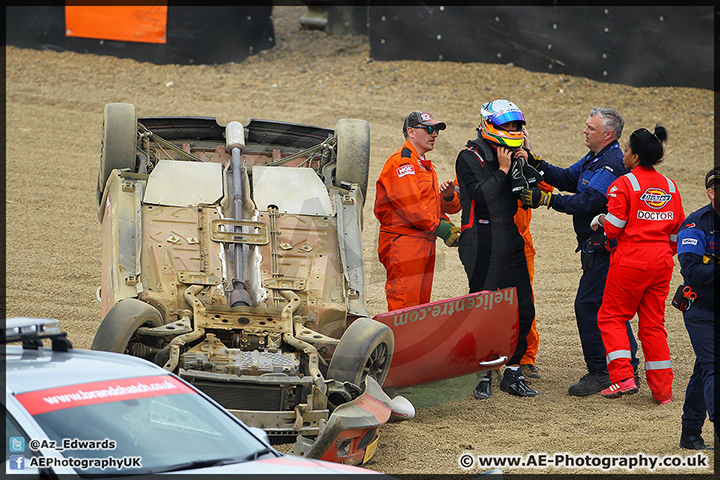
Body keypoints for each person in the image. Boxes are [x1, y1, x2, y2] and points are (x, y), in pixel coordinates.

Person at [520, 107, 640, 397]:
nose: (584, 131)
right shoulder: (595, 158)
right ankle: (626, 367)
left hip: (606, 249)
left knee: (588, 306)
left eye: (590, 127)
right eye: (586, 126)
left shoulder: (610, 163)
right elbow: (565, 177)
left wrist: (547, 200)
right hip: (600, 249)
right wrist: (533, 159)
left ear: (608, 134)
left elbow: (589, 201)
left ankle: (601, 371)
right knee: (609, 308)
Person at [589, 126, 684, 405]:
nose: (623, 155)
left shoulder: (624, 184)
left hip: (631, 261)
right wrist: (665, 253)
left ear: (636, 156)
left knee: (612, 316)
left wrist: (600, 221)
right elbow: (677, 232)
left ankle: (622, 378)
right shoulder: (670, 186)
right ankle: (663, 393)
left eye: (627, 150)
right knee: (654, 325)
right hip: (662, 261)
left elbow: (614, 228)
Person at [455, 99, 540, 398]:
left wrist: (525, 161)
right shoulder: (469, 156)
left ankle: (513, 372)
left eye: (518, 126)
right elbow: (480, 194)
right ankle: (484, 372)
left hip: (510, 236)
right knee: (485, 309)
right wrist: (503, 169)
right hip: (479, 239)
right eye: (508, 126)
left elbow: (533, 193)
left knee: (524, 307)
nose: (514, 130)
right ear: (489, 125)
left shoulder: (516, 154)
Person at [374, 111, 461, 312]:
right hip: (404, 244)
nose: (435, 134)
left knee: (419, 310)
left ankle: (412, 344)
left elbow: (429, 206)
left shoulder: (422, 165)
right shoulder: (402, 162)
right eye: (430, 129)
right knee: (404, 307)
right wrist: (442, 228)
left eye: (437, 130)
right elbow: (411, 206)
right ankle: (402, 344)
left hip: (422, 242)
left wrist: (448, 199)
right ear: (411, 132)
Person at [675, 167, 718, 449]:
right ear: (712, 193)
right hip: (701, 309)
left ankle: (690, 433)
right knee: (715, 365)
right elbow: (692, 272)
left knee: (704, 369)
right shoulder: (695, 225)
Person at [515, 164, 554, 381]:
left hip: (521, 245)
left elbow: (546, 188)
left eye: (515, 127)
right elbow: (456, 199)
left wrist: (529, 158)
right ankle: (492, 361)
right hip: (489, 245)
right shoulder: (477, 155)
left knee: (524, 303)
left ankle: (526, 358)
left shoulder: (522, 160)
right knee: (490, 304)